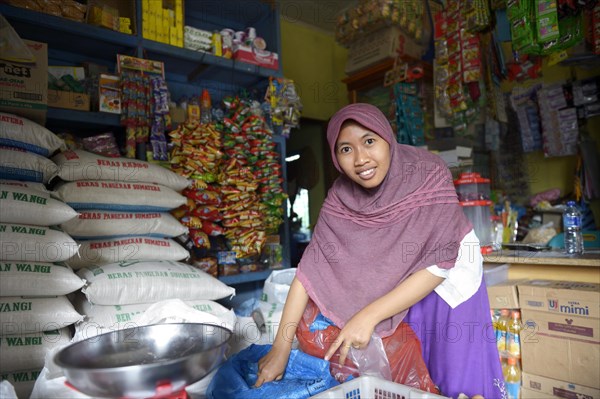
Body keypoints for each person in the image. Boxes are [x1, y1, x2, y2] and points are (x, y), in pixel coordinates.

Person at [255, 103, 506, 398]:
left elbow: (440, 263)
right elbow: (310, 271)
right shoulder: (340, 199)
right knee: (415, 381)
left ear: (388, 138)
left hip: (448, 288)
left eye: (369, 142)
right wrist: (281, 348)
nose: (361, 159)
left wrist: (368, 315)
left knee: (458, 383)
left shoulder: (428, 173)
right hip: (396, 291)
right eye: (345, 149)